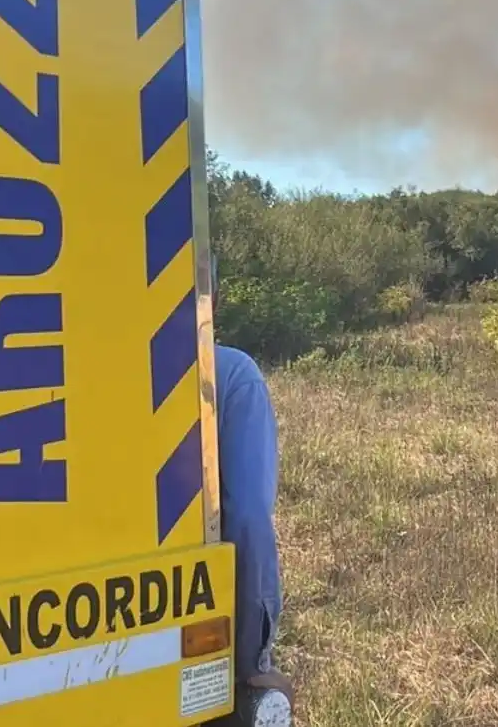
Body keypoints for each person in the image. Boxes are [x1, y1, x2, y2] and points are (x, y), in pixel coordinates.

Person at [211, 254, 295, 708]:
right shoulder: (230, 374)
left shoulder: (84, 371)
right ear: (213, 299)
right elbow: (247, 517)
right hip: (195, 613)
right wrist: (252, 663)